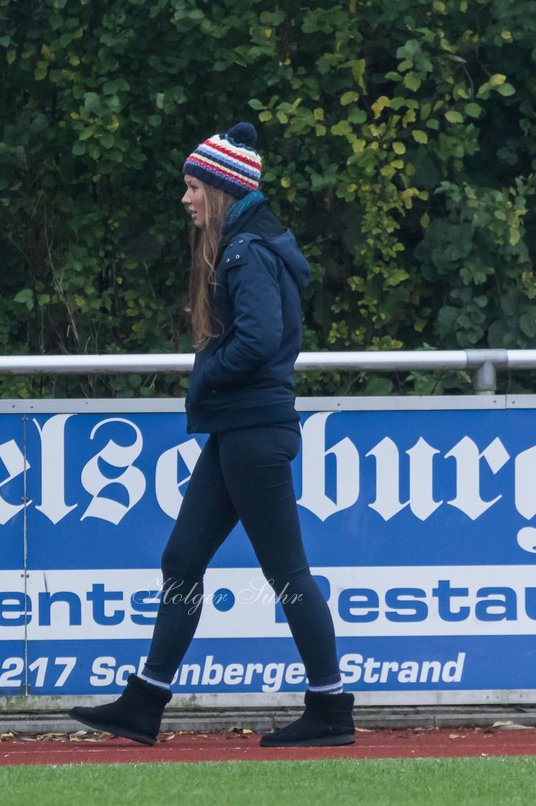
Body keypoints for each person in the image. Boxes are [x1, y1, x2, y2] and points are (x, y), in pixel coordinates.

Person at [70, 123, 355, 748]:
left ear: (221, 191)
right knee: (182, 559)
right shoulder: (245, 245)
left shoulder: (247, 252)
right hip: (240, 428)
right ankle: (145, 702)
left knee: (286, 572)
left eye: (193, 186)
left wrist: (206, 381)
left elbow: (257, 339)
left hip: (253, 429)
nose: (185, 199)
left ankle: (331, 709)